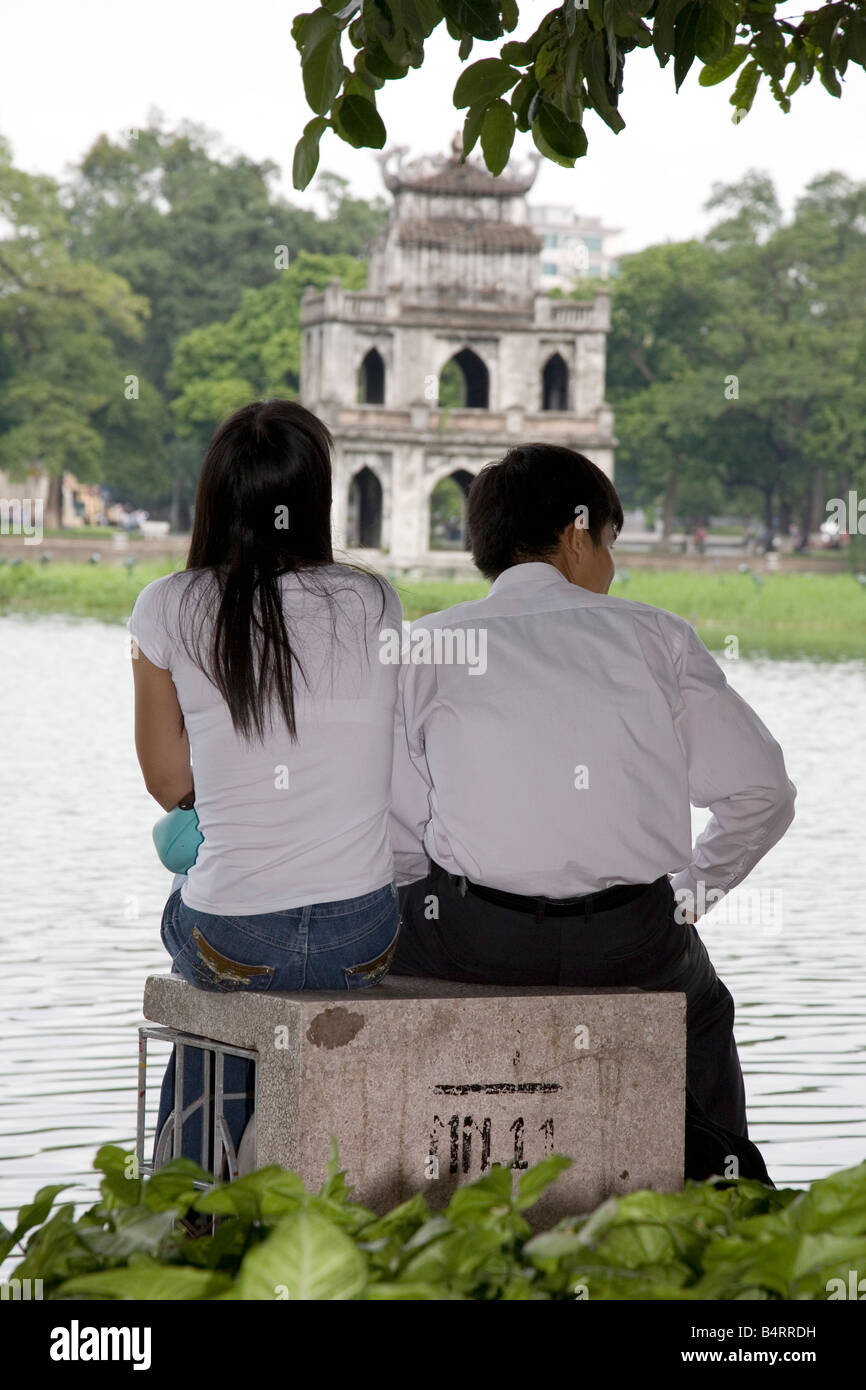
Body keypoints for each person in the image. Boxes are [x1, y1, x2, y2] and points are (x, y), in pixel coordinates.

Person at [389, 444, 796, 1146]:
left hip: (473, 939)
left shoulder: (425, 647)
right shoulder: (656, 637)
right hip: (632, 939)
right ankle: (724, 1194)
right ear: (578, 535)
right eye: (610, 541)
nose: (611, 564)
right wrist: (688, 898)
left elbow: (399, 833)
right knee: (704, 1007)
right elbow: (762, 793)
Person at [128, 399, 402, 1171]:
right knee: (243, 938)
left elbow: (167, 779)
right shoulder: (373, 600)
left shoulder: (168, 605)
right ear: (316, 502)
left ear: (215, 496)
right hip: (363, 935)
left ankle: (195, 1190)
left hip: (235, 934)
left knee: (204, 949)